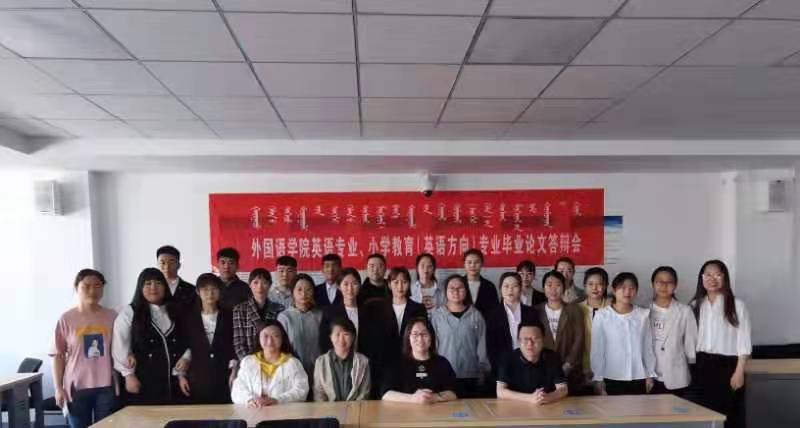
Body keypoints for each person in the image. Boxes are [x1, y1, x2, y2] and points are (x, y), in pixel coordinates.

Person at [51, 269, 117, 428]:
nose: (92, 291)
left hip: (106, 385)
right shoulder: (66, 318)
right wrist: (58, 388)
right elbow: (58, 355)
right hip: (76, 387)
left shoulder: (112, 316)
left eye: (97, 286)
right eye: (86, 286)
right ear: (76, 288)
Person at [112, 268, 187, 405]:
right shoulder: (129, 312)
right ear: (140, 287)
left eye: (158, 283)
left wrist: (182, 373)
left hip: (174, 382)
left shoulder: (175, 310)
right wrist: (128, 375)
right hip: (142, 381)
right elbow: (120, 345)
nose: (153, 288)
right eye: (148, 284)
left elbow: (185, 342)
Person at [690, 260, 751, 428]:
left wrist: (739, 372)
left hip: (728, 366)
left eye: (718, 275)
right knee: (704, 414)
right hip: (701, 365)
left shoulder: (737, 305)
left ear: (725, 278)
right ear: (701, 278)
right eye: (708, 275)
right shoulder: (695, 306)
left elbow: (744, 341)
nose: (712, 279)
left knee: (730, 415)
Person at [359, 267, 426, 398]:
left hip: (410, 361)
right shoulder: (376, 307)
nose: (400, 287)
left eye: (404, 282)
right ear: (389, 284)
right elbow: (370, 338)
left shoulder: (418, 308)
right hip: (383, 363)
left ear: (409, 284)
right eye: (396, 282)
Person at [591, 272, 657, 396]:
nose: (627, 292)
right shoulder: (602, 316)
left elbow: (647, 347)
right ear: (614, 290)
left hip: (638, 375)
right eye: (622, 288)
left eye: (632, 288)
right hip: (611, 376)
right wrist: (598, 377)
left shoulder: (643, 315)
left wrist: (649, 374)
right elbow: (597, 350)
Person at [177, 273, 236, 404]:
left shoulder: (230, 316)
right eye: (205, 289)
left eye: (214, 289)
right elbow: (183, 346)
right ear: (198, 292)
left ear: (220, 291)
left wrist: (234, 371)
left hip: (224, 376)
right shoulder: (188, 317)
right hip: (197, 377)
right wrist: (181, 376)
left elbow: (234, 345)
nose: (210, 293)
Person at [430, 274, 489, 398]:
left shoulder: (476, 315)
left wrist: (483, 370)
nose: (456, 291)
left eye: (460, 288)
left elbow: (482, 345)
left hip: (471, 374)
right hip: (444, 375)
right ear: (445, 292)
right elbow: (433, 347)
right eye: (451, 288)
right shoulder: (437, 317)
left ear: (466, 290)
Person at [231, 321, 309, 406]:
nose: (270, 341)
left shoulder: (293, 363)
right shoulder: (248, 362)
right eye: (265, 336)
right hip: (254, 411)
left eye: (275, 336)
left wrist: (277, 400)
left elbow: (302, 390)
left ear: (282, 339)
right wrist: (250, 400)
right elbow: (237, 390)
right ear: (259, 338)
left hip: (284, 412)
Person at [380, 318, 458, 404]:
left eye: (424, 334)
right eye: (415, 334)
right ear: (408, 338)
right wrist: (413, 398)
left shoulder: (442, 363)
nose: (420, 339)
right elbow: (386, 394)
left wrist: (435, 397)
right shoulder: (397, 363)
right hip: (404, 411)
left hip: (435, 410)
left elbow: (453, 393)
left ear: (431, 337)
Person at [649, 266, 697, 396]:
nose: (664, 286)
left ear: (675, 285)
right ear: (653, 284)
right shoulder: (644, 310)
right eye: (660, 281)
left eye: (669, 282)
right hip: (649, 376)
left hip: (676, 374)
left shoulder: (684, 311)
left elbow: (690, 342)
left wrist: (691, 364)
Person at [535, 270, 585, 393]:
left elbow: (579, 339)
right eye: (549, 285)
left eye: (558, 285)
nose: (553, 289)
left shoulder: (574, 310)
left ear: (564, 287)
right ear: (543, 288)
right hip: (542, 370)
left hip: (569, 370)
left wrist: (568, 365)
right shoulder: (535, 311)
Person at [496, 322, 568, 405]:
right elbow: (500, 391)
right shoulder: (507, 358)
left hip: (546, 406)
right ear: (519, 341)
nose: (530, 343)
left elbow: (563, 389)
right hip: (515, 406)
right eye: (525, 339)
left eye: (535, 338)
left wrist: (548, 397)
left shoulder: (552, 357)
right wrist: (529, 398)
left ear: (543, 340)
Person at [486, 272, 539, 380]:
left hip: (529, 365)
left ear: (520, 288)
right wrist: (499, 368)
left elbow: (537, 339)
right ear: (500, 289)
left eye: (514, 286)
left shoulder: (531, 312)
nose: (510, 290)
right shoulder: (492, 315)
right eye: (506, 286)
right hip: (502, 368)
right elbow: (490, 347)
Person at [277, 274, 323, 383]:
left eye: (308, 290)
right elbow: (280, 348)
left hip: (318, 373)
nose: (303, 294)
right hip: (292, 373)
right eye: (299, 289)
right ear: (292, 292)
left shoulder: (320, 316)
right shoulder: (284, 317)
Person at [313, 317, 371, 402]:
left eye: (346, 334)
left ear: (353, 337)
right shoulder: (321, 362)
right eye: (337, 334)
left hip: (356, 409)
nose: (341, 340)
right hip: (329, 409)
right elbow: (319, 394)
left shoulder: (363, 362)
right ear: (331, 337)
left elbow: (364, 393)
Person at [232, 268, 284, 360]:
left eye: (264, 283)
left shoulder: (279, 309)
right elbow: (239, 344)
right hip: (249, 361)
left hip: (274, 360)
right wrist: (250, 363)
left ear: (270, 285)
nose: (260, 287)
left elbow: (282, 340)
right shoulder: (239, 310)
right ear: (249, 285)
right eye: (255, 283)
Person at [578, 267, 611, 391]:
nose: (595, 288)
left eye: (599, 284)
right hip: (583, 367)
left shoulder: (613, 307)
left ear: (606, 286)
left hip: (610, 367)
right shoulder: (577, 309)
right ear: (584, 286)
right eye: (591, 284)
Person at [320, 268, 362, 354]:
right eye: (346, 284)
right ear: (339, 287)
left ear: (359, 286)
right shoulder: (330, 313)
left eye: (354, 283)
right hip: (337, 359)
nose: (350, 288)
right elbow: (324, 342)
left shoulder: (368, 311)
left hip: (363, 359)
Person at [462, 248, 500, 319]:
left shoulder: (489, 286)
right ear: (464, 264)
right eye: (469, 262)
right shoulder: (458, 284)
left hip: (485, 324)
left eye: (476, 262)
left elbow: (495, 311)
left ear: (482, 264)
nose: (473, 265)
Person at [156, 245, 196, 310]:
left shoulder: (192, 290)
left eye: (171, 262)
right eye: (162, 263)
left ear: (179, 265)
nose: (167, 267)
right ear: (157, 265)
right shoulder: (151, 289)